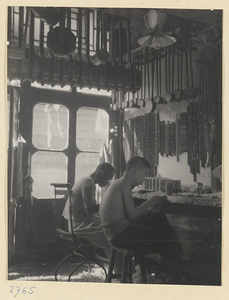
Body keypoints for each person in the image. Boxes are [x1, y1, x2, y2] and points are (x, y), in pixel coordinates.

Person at [99, 156, 186, 263]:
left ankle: (169, 256)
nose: (143, 179)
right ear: (135, 170)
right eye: (144, 174)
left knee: (155, 217)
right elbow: (132, 214)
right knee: (161, 230)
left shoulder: (117, 182)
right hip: (120, 236)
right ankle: (176, 256)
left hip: (112, 234)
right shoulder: (125, 184)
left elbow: (128, 213)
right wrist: (150, 202)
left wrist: (148, 210)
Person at [62, 162, 115, 260]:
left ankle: (117, 267)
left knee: (109, 225)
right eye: (108, 178)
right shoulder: (88, 183)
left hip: (76, 222)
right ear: (102, 173)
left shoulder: (85, 179)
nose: (108, 182)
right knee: (112, 240)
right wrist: (107, 205)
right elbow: (89, 210)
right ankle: (118, 270)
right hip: (78, 226)